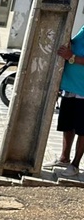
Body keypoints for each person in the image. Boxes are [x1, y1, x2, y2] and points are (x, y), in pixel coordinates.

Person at [44, 25, 84, 177]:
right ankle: (64, 159)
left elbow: (72, 55)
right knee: (68, 124)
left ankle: (75, 165)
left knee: (82, 129)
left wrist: (72, 57)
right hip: (71, 86)